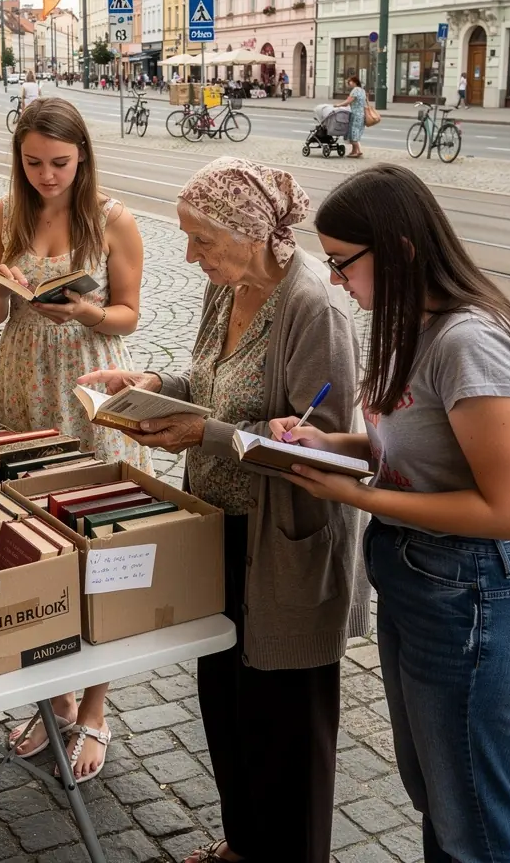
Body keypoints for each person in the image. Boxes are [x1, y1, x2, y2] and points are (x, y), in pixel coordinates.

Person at [269, 164, 510, 863]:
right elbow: (409, 445)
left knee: (474, 827)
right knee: (439, 798)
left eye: (342, 264)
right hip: (418, 580)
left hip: (475, 598)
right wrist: (332, 444)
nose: (335, 281)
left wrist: (357, 495)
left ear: (397, 250)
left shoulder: (470, 342)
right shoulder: (410, 324)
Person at [80, 157, 363, 862]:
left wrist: (200, 432)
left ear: (253, 231)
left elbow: (319, 441)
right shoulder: (225, 287)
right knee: (228, 702)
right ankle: (242, 844)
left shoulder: (312, 307)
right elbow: (208, 382)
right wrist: (153, 382)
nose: (189, 254)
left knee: (287, 724)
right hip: (219, 530)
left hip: (283, 546)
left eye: (202, 239)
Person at [0, 98, 151, 783]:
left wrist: (85, 308)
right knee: (33, 540)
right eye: (34, 163)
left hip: (89, 382)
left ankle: (97, 708)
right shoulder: (1, 215)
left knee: (100, 537)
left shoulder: (113, 219)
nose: (47, 176)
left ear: (83, 159)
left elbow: (129, 316)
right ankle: (56, 695)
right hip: (22, 379)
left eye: (60, 164)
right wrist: (3, 289)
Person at [337, 74, 366, 158]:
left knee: (353, 133)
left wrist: (338, 105)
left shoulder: (355, 90)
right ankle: (354, 151)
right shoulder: (362, 90)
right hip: (362, 114)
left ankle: (358, 151)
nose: (349, 83)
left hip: (355, 114)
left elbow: (348, 101)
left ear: (354, 82)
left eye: (350, 82)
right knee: (356, 132)